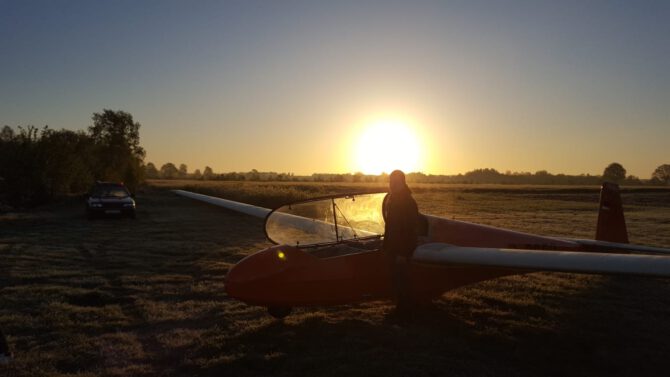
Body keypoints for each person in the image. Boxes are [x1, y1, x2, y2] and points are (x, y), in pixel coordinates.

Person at [382, 170, 420, 320]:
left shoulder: (407, 202)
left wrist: (403, 253)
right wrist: (386, 247)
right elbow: (391, 227)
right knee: (397, 280)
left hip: (401, 250)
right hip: (393, 248)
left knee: (403, 281)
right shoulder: (394, 200)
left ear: (402, 183)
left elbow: (411, 230)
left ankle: (404, 312)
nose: (392, 185)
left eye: (395, 182)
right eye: (390, 182)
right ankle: (401, 309)